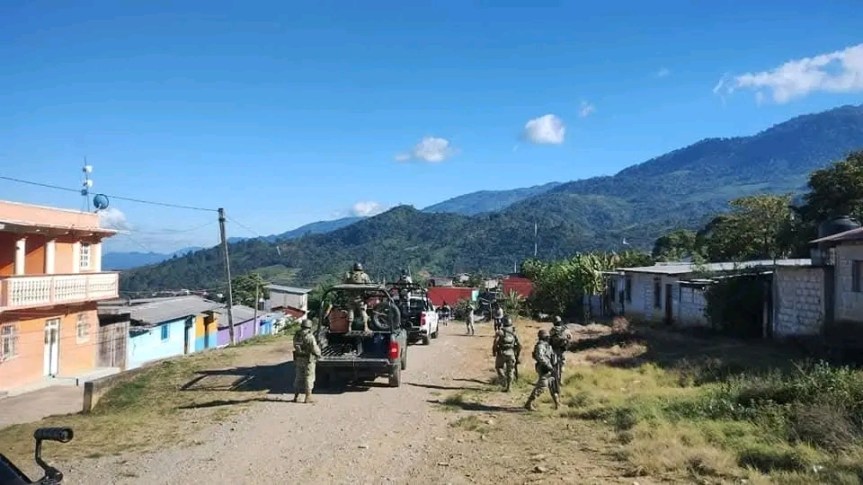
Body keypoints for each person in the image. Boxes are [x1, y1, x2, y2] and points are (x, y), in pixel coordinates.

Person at [524, 329, 559, 411]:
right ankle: (528, 403)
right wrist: (547, 365)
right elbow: (540, 357)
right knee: (542, 386)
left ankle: (557, 403)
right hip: (544, 368)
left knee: (553, 385)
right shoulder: (540, 346)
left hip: (550, 367)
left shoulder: (547, 345)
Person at [292, 319, 322, 404]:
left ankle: (296, 396)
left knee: (298, 377)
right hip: (308, 360)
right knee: (309, 377)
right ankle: (308, 397)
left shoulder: (297, 335)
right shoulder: (309, 336)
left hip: (298, 359)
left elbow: (295, 345)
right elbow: (314, 348)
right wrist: (319, 354)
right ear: (309, 327)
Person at [492, 316, 521, 392]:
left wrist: (494, 351)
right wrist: (517, 355)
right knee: (510, 370)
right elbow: (519, 345)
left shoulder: (500, 332)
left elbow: (495, 342)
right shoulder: (514, 332)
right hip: (511, 353)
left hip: (501, 353)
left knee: (499, 367)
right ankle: (509, 387)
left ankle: (503, 379)